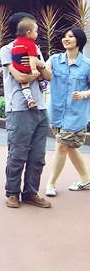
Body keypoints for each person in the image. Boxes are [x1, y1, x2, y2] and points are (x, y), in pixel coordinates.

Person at [1, 12, 53, 209]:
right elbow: (20, 77)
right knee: (18, 153)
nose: (36, 32)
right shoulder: (7, 50)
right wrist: (37, 71)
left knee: (38, 156)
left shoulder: (35, 49)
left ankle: (31, 192)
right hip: (19, 109)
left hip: (40, 108)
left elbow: (49, 76)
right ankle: (12, 192)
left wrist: (39, 65)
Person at [44, 27, 90, 196]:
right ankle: (85, 179)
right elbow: (44, 72)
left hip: (76, 115)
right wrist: (39, 64)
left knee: (61, 146)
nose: (66, 39)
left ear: (79, 40)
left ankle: (51, 183)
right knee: (69, 147)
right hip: (57, 113)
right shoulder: (55, 60)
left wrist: (84, 94)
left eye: (70, 36)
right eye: (64, 36)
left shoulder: (87, 65)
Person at [11, 17, 49, 108]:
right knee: (38, 70)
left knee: (24, 84)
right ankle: (42, 83)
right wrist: (33, 69)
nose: (37, 34)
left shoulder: (16, 43)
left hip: (18, 66)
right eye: (36, 31)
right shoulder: (31, 44)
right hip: (27, 67)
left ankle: (29, 98)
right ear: (28, 32)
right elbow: (32, 58)